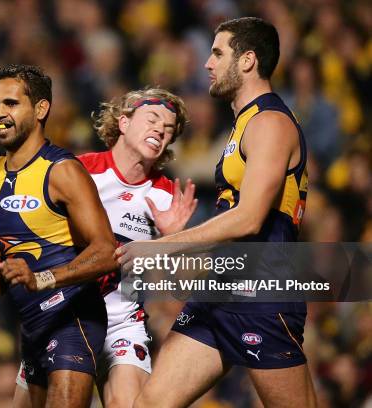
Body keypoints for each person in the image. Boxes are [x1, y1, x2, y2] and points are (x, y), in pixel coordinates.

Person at [116, 17, 316, 407]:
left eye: (218, 52)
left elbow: (250, 218)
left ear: (247, 61)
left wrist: (164, 247)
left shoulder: (270, 123)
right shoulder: (244, 123)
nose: (208, 63)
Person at [0, 88, 197, 408]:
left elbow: (177, 286)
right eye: (153, 119)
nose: (161, 129)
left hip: (122, 323)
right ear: (125, 122)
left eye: (169, 129)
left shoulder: (167, 195)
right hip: (64, 313)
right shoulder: (78, 170)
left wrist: (171, 241)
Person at [0, 64, 117, 408]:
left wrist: (43, 278)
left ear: (41, 109)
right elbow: (9, 269)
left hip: (72, 319)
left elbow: (107, 251)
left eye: (11, 104)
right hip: (31, 328)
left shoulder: (62, 170)